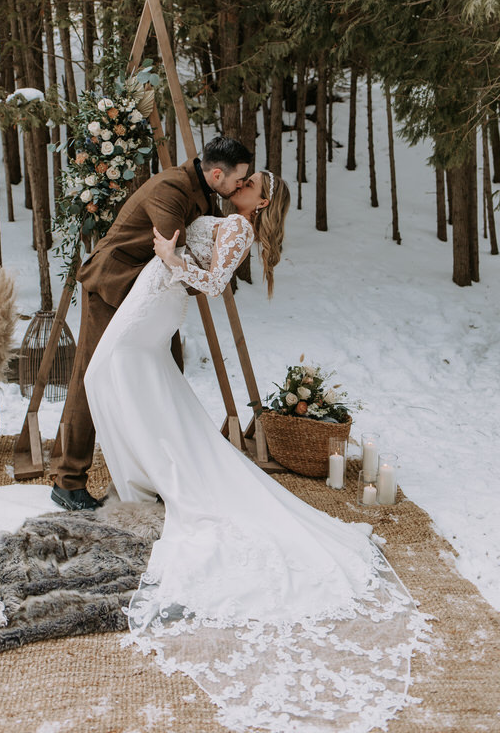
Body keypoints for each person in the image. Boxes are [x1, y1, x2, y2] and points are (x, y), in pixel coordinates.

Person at [83, 170, 426, 733]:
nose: (243, 181)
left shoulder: (240, 229)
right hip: (155, 291)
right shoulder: (222, 211)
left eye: (253, 182)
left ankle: (156, 476)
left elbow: (214, 284)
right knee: (115, 376)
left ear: (260, 201)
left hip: (161, 292)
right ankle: (148, 474)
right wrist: (169, 258)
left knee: (109, 371)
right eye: (245, 175)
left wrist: (171, 258)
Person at [51, 135, 252, 510]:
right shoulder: (172, 188)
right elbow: (172, 254)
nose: (240, 186)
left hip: (152, 296)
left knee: (166, 375)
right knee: (90, 375)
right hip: (113, 285)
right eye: (239, 180)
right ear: (218, 173)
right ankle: (68, 480)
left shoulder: (208, 192)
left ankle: (161, 472)